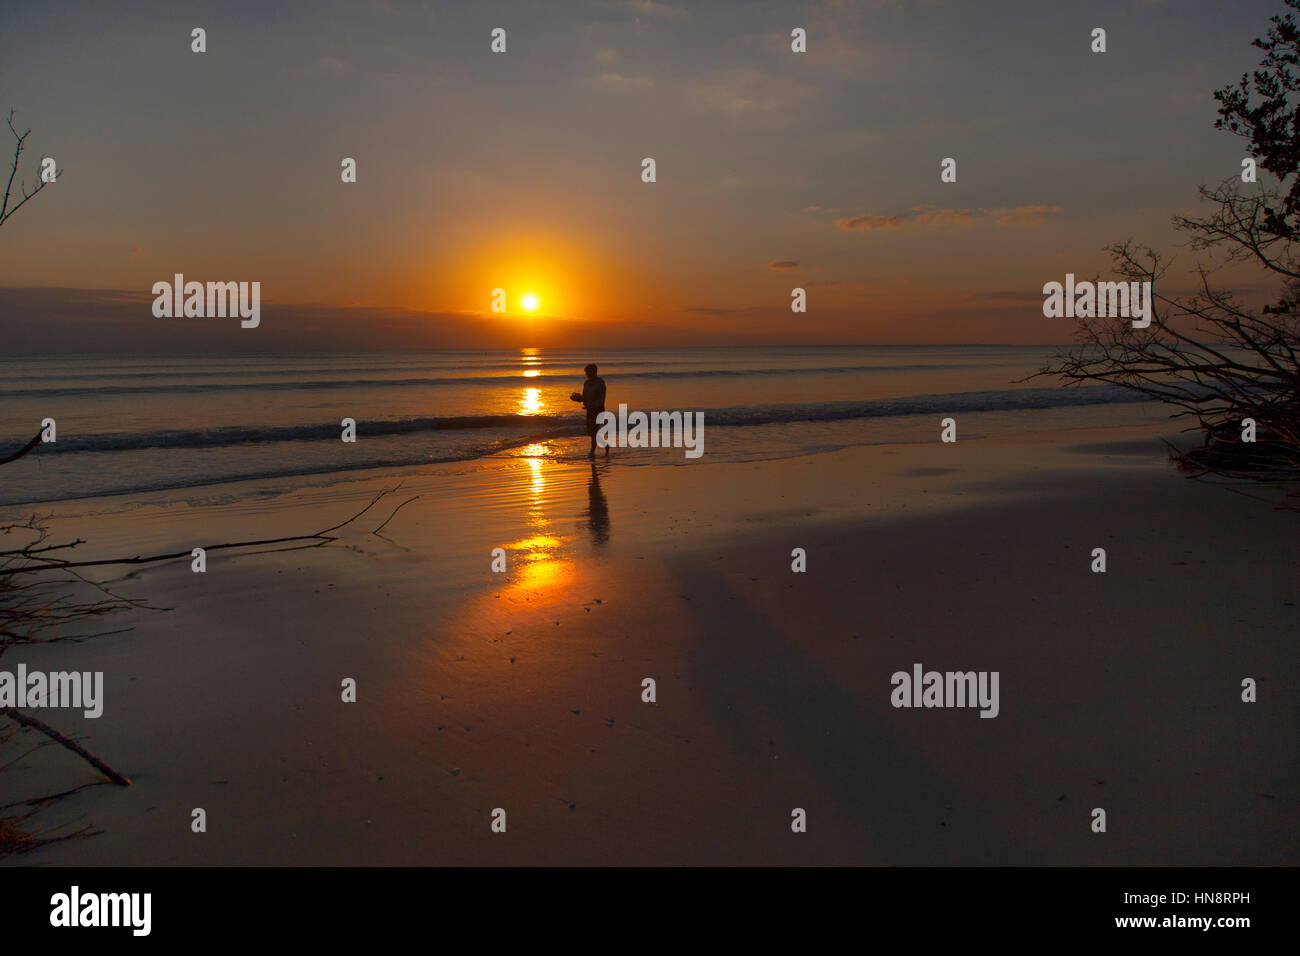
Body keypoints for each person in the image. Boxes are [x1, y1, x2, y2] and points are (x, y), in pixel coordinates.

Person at [570, 363, 608, 458]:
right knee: (591, 433)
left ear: (594, 372)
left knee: (594, 432)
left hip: (598, 410)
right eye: (586, 373)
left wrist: (588, 402)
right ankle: (606, 446)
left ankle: (592, 452)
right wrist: (578, 398)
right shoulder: (586, 383)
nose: (587, 375)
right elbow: (585, 398)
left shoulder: (600, 383)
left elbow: (600, 399)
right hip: (589, 410)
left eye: (588, 373)